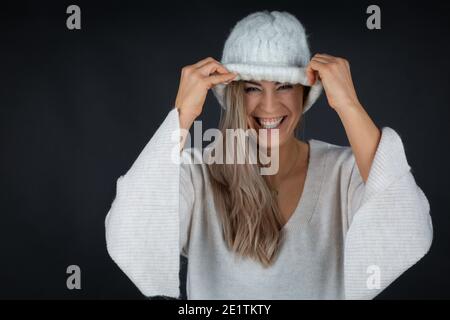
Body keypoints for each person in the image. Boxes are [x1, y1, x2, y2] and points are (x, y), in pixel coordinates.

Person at [105, 10, 433, 299]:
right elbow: (128, 234)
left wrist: (348, 105)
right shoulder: (198, 174)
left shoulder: (344, 174)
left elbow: (409, 230)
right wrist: (181, 115)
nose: (270, 106)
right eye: (251, 88)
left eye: (284, 86)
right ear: (233, 95)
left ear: (305, 93)